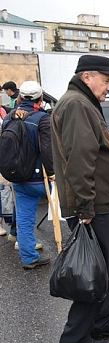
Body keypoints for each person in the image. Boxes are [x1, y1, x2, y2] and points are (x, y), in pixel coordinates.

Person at [51, 54, 109, 343]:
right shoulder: (76, 104)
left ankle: (99, 322)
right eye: (107, 80)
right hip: (91, 205)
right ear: (88, 76)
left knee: (102, 268)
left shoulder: (82, 101)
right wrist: (85, 207)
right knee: (91, 271)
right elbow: (80, 159)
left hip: (95, 202)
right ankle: (74, 338)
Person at [0, 81, 53, 268]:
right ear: (40, 97)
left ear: (20, 97)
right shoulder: (42, 118)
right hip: (39, 178)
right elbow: (47, 149)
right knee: (62, 211)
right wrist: (53, 173)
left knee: (24, 218)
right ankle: (69, 251)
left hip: (17, 175)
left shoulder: (8, 118)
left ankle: (29, 257)